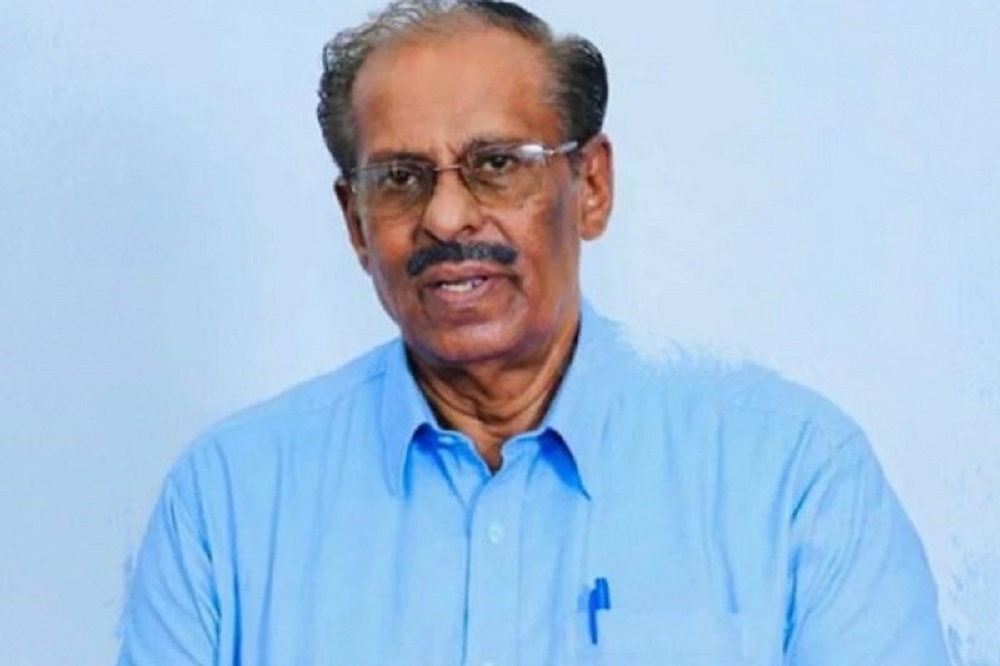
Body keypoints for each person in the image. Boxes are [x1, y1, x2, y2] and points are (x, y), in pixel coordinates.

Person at [117, 1, 950, 664]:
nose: (447, 216)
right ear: (356, 223)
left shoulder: (793, 475)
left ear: (591, 187)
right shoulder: (229, 501)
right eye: (400, 178)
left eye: (496, 164)